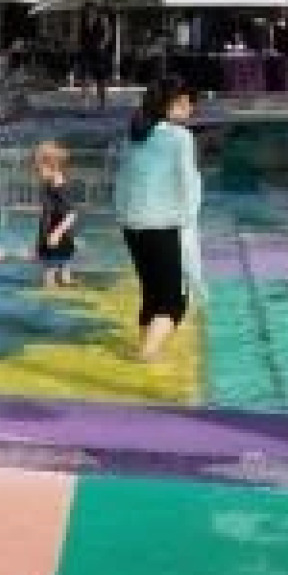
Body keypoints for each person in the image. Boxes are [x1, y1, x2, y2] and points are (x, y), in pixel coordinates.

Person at [112, 77, 203, 362]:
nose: (190, 109)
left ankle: (145, 351)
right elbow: (188, 183)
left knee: (151, 295)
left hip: (131, 224)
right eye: (186, 103)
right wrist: (188, 222)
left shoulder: (135, 133)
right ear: (169, 106)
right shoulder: (180, 137)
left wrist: (124, 216)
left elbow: (122, 180)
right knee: (174, 303)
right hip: (163, 225)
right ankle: (147, 356)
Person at [33, 140, 79, 289]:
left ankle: (57, 286)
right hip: (53, 233)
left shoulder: (60, 186)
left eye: (39, 168)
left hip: (58, 235)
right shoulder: (49, 183)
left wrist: (57, 233)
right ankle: (65, 281)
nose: (37, 171)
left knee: (50, 275)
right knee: (62, 267)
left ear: (51, 166)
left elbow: (72, 214)